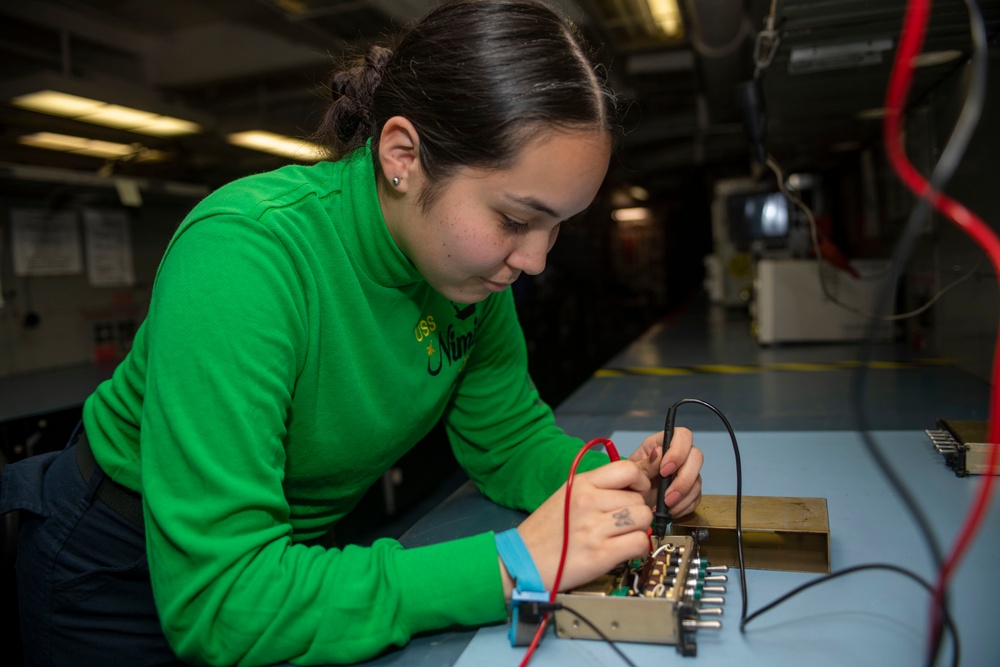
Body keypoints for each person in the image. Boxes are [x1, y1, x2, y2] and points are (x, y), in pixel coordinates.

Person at [0, 1, 703, 665]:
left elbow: (508, 439)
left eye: (558, 226)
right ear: (402, 155)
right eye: (516, 219)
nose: (536, 260)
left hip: (284, 554)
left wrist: (613, 483)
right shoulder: (246, 257)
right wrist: (510, 563)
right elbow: (221, 602)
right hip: (116, 564)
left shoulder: (466, 269)